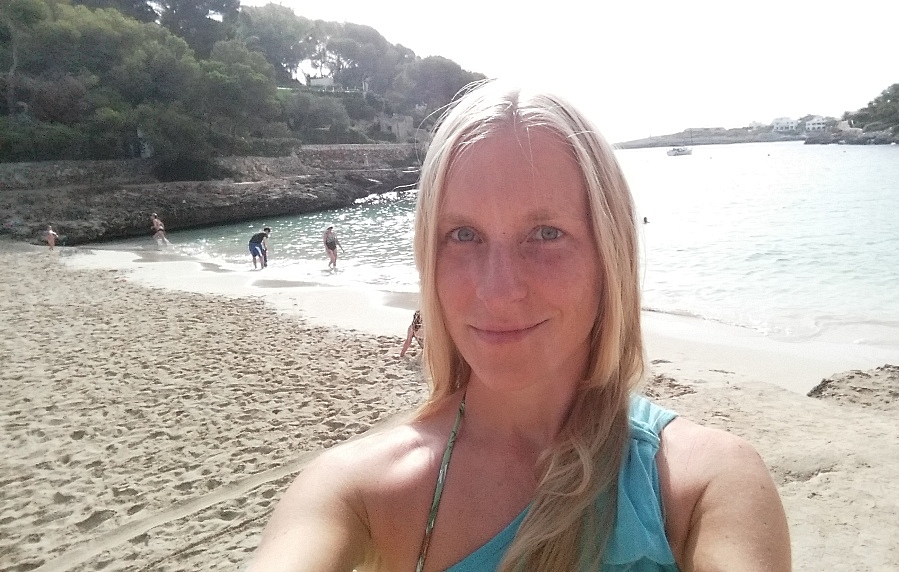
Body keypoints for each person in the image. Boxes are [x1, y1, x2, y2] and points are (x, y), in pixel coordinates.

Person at [250, 82, 790, 571]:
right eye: (463, 235)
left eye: (546, 233)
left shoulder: (701, 487)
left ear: (610, 257)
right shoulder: (354, 492)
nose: (498, 289)